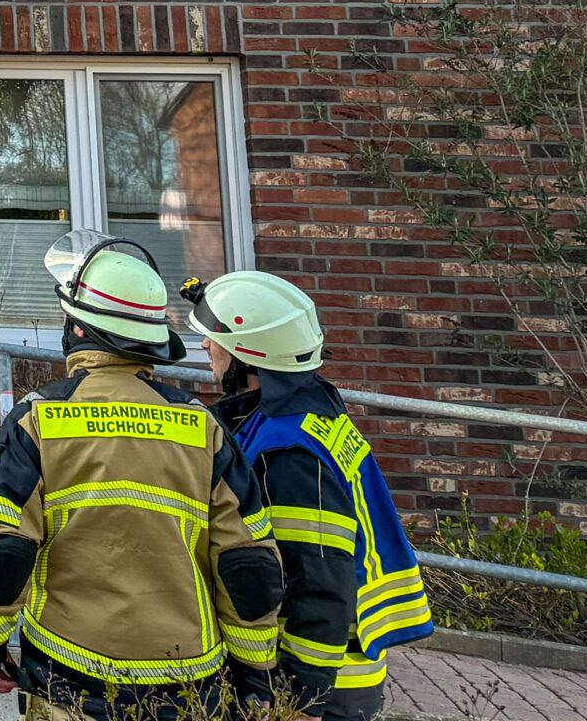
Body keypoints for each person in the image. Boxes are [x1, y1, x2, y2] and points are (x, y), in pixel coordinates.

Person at [0, 233, 284, 721]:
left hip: (68, 674)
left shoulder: (39, 419)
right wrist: (254, 672)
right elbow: (249, 564)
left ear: (79, 330)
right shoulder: (203, 426)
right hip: (186, 680)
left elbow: (5, 549)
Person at [186, 270, 435, 718]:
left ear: (248, 355)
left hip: (323, 683)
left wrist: (300, 701)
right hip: (337, 669)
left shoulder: (289, 452)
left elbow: (318, 579)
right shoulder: (306, 410)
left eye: (215, 338)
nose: (206, 345)